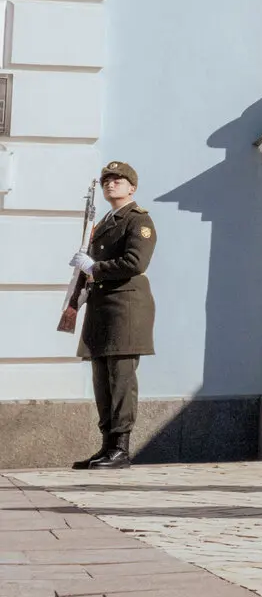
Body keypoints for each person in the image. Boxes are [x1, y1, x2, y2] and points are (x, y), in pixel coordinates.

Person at [69, 162, 156, 470]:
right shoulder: (104, 221)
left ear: (132, 187)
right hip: (102, 307)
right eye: (107, 180)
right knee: (102, 380)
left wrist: (94, 268)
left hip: (125, 308)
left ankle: (121, 448)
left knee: (120, 380)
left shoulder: (138, 220)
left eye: (118, 180)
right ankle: (107, 446)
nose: (110, 184)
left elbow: (134, 261)